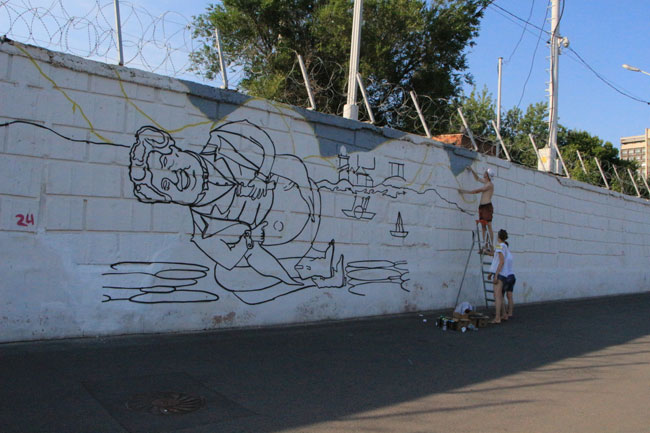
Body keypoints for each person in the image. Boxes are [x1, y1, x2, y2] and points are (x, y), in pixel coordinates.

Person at [129, 120, 319, 288]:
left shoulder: (222, 140)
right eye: (165, 185)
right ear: (167, 199)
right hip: (303, 236)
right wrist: (287, 278)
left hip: (311, 191)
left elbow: (263, 139)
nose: (175, 177)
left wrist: (262, 175)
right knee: (227, 279)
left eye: (165, 162)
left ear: (174, 148)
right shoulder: (205, 233)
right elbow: (254, 256)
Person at [459, 166, 495, 252]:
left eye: (485, 172)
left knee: (489, 225)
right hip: (482, 207)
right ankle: (485, 245)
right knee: (483, 226)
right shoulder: (486, 182)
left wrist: (465, 191)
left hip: (487, 206)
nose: (484, 173)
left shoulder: (489, 185)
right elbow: (477, 178)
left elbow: (477, 191)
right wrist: (472, 170)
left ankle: (491, 246)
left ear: (487, 175)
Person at [487, 229, 512, 324]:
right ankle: (504, 314)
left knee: (497, 296)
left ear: (498, 236)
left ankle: (497, 318)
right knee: (500, 295)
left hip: (500, 273)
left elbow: (501, 261)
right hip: (504, 273)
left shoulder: (500, 246)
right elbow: (496, 258)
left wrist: (496, 274)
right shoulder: (504, 246)